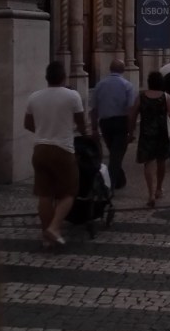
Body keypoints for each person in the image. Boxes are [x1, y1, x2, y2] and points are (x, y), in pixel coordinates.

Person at [24, 61, 86, 247]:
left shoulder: (34, 97)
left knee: (45, 194)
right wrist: (83, 132)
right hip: (63, 148)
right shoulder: (72, 96)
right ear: (63, 77)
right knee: (68, 192)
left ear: (46, 78)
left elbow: (27, 124)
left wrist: (44, 131)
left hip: (40, 148)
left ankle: (46, 236)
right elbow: (81, 122)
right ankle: (54, 227)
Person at [129, 71, 170, 207]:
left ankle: (150, 194)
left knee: (148, 163)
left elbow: (132, 115)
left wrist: (131, 132)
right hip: (162, 133)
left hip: (146, 133)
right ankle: (159, 189)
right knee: (161, 161)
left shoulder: (141, 97)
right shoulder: (166, 97)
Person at [89, 59, 134, 189]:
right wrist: (131, 131)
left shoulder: (100, 85)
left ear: (110, 69)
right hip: (121, 122)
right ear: (123, 70)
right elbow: (130, 109)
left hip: (105, 123)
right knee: (116, 155)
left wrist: (94, 128)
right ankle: (109, 185)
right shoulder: (127, 85)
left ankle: (119, 180)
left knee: (115, 153)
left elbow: (94, 109)